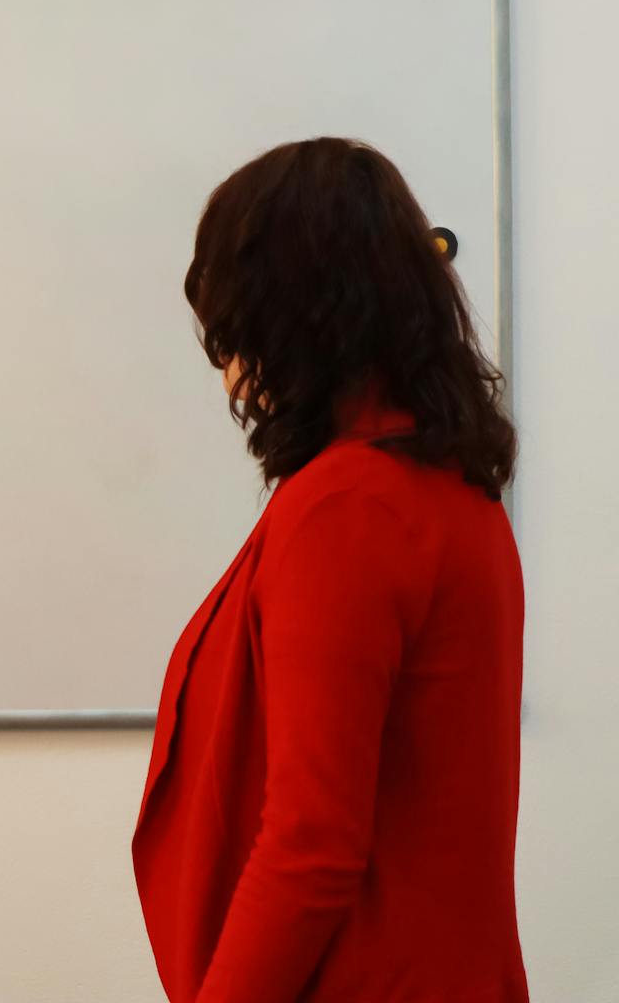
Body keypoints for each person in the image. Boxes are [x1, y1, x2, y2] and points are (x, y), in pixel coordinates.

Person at [132, 137, 527, 1000]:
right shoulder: (454, 492)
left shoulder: (348, 509)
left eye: (239, 336)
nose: (236, 378)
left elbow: (311, 842)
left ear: (301, 319)